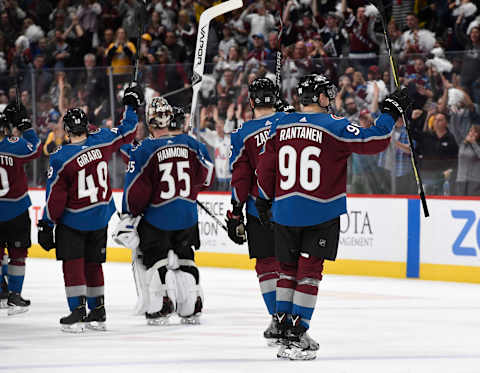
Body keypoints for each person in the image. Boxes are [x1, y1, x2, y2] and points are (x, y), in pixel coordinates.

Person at [255, 74, 412, 360]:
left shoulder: (279, 126)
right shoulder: (334, 125)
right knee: (310, 271)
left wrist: (264, 200)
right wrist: (389, 113)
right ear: (321, 97)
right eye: (329, 94)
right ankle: (297, 331)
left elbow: (265, 168)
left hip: (285, 210)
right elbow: (374, 140)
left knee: (287, 269)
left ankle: (283, 328)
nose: (333, 99)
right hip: (320, 209)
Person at [37, 85, 143, 332]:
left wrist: (46, 223)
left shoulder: (60, 157)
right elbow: (128, 131)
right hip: (101, 217)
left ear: (66, 130)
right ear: (87, 126)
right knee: (94, 264)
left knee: (73, 264)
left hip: (74, 220)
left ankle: (77, 310)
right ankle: (98, 309)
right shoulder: (103, 140)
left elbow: (56, 198)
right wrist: (130, 106)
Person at [122, 97, 214, 325]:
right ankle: (191, 307)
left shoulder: (145, 148)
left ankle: (160, 305)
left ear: (149, 121)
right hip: (187, 215)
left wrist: (129, 213)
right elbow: (208, 176)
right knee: (185, 258)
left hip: (158, 216)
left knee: (154, 259)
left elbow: (135, 190)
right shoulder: (191, 143)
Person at [226, 78, 288, 344]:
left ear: (251, 102)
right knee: (290, 266)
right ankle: (292, 320)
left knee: (266, 265)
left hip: (256, 208)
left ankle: (277, 318)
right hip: (291, 205)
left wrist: (235, 211)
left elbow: (241, 177)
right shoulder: (291, 122)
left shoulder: (243, 133)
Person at [0, 105, 41, 315]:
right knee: (17, 255)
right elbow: (36, 148)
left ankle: (1, 292)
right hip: (16, 210)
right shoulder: (13, 145)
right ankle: (14, 296)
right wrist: (25, 126)